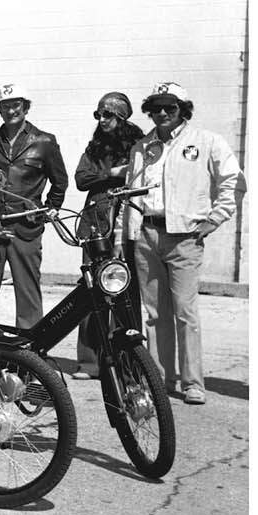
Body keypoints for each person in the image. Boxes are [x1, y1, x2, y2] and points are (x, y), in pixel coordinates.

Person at [121, 81, 242, 404]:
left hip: (185, 237)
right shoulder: (142, 147)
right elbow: (131, 196)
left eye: (170, 107)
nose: (162, 113)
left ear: (182, 110)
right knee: (153, 313)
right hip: (147, 234)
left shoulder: (206, 142)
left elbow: (233, 181)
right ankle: (161, 379)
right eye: (156, 107)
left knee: (185, 312)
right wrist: (129, 236)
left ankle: (192, 382)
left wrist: (214, 219)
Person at [0, 83, 68, 327]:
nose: (11, 110)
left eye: (16, 105)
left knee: (27, 293)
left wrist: (49, 208)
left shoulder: (44, 142)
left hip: (26, 229)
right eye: (5, 106)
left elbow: (60, 181)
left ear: (26, 108)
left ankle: (30, 352)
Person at [72, 91, 143, 376]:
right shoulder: (95, 147)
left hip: (128, 223)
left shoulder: (140, 144)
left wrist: (118, 173)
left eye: (108, 115)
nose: (101, 120)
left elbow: (142, 174)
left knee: (126, 291)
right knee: (91, 290)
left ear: (121, 117)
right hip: (95, 223)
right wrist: (114, 171)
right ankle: (89, 361)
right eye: (98, 114)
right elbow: (81, 178)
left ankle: (129, 362)